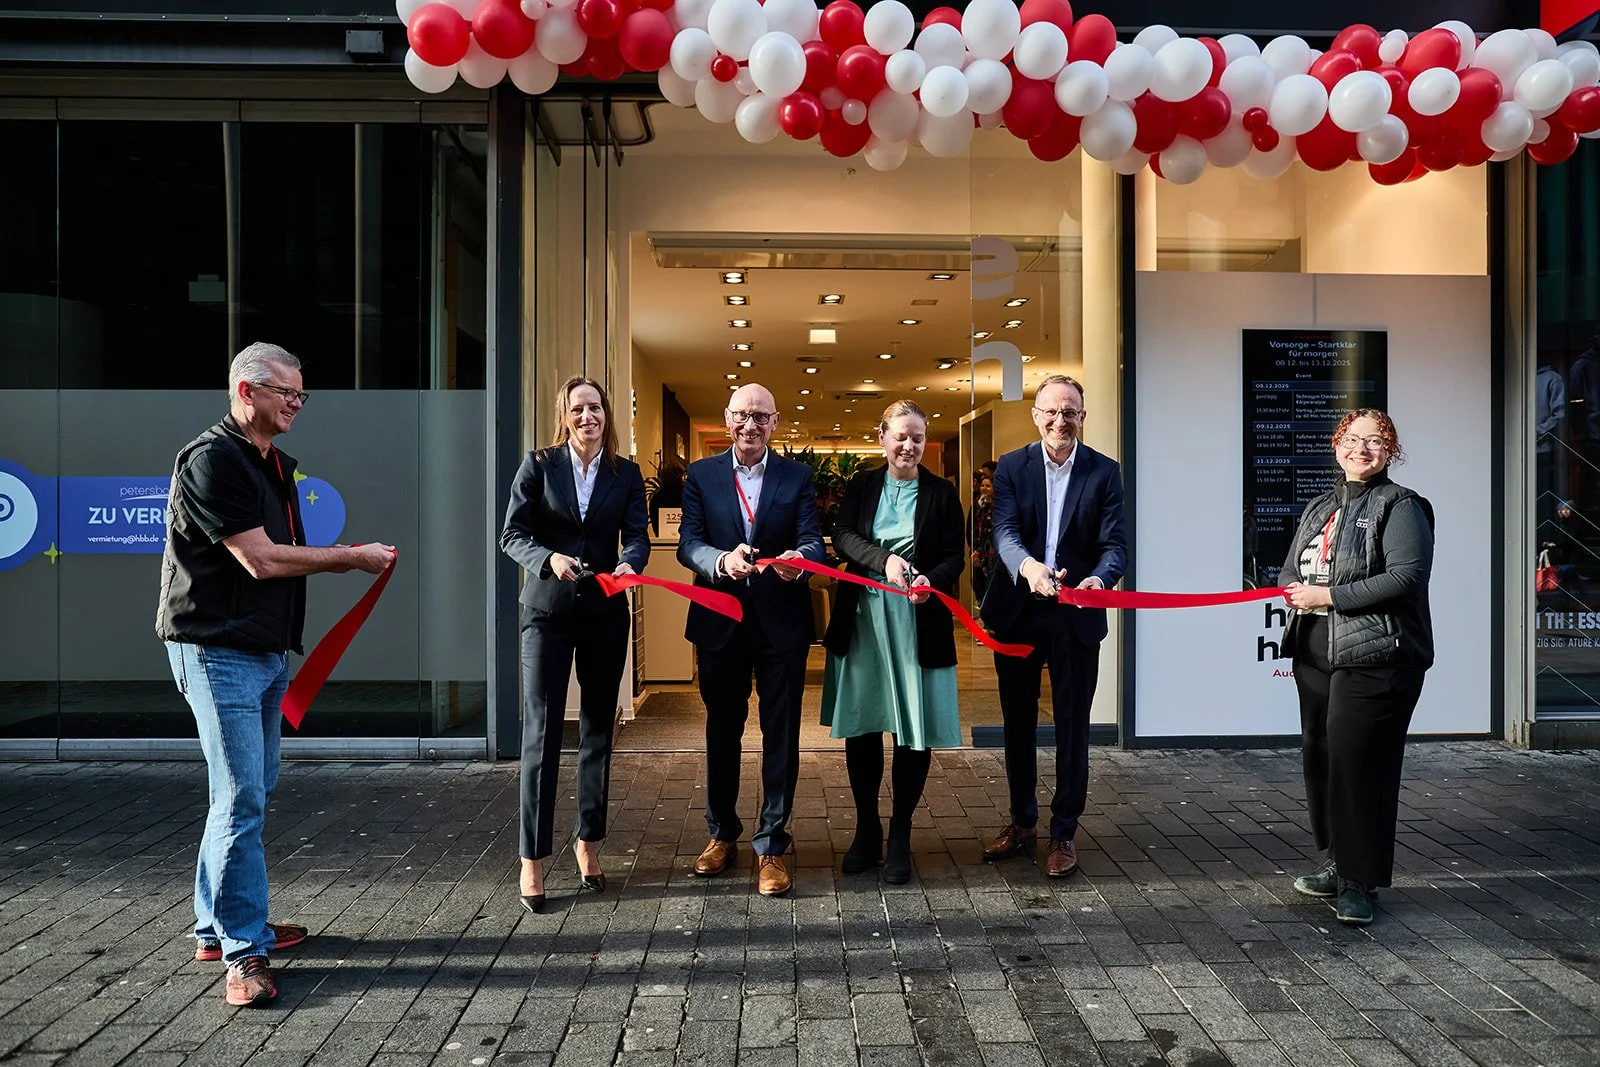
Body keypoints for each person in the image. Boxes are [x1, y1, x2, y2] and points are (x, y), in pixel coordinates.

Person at [156, 342, 396, 1007]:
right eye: (285, 392)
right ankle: (244, 953)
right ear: (246, 391)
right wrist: (349, 556)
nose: (296, 403)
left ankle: (216, 927)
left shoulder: (272, 464)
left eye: (300, 394)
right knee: (241, 797)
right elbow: (259, 560)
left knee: (247, 790)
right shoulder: (212, 460)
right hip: (216, 649)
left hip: (261, 649)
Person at [1280, 409, 1434, 926]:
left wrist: (1327, 595)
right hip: (1315, 650)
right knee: (1323, 757)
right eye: (1351, 438)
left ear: (1391, 451)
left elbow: (1406, 577)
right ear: (1336, 444)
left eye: (1375, 441)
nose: (1361, 449)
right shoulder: (1321, 505)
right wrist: (1292, 590)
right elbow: (1291, 566)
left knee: (1360, 763)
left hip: (1377, 655)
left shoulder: (1401, 505)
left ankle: (1359, 881)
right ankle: (1340, 861)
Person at [500, 376, 648, 913]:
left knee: (598, 732)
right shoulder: (538, 465)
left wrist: (630, 563)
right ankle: (533, 859)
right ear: (564, 415)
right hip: (547, 613)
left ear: (607, 415)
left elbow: (637, 535)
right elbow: (512, 535)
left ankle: (588, 842)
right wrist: (548, 559)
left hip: (605, 613)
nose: (589, 416)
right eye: (578, 408)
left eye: (596, 408)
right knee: (541, 733)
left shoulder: (625, 473)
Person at [678, 383, 824, 896]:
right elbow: (689, 543)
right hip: (720, 621)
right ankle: (722, 834)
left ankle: (772, 845)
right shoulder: (701, 475)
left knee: (780, 735)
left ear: (775, 422)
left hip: (781, 623)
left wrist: (800, 560)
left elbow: (812, 540)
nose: (750, 424)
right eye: (742, 415)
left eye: (761, 416)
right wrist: (720, 561)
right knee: (722, 731)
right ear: (727, 419)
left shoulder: (797, 476)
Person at [979, 374, 1126, 878]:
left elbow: (1115, 545)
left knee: (1073, 726)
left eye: (1070, 412)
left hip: (1076, 614)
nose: (1060, 420)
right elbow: (1003, 530)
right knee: (1017, 725)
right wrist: (1028, 567)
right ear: (1035, 415)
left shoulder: (1105, 471)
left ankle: (1063, 831)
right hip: (1019, 611)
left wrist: (1099, 580)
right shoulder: (1011, 467)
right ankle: (1022, 822)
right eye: (1051, 411)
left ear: (1082, 417)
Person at [820, 400, 966, 883]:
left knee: (913, 730)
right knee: (863, 727)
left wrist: (930, 581)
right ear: (882, 437)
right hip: (863, 619)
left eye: (917, 438)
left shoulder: (942, 493)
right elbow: (843, 536)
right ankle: (867, 828)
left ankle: (901, 831)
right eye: (900, 436)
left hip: (918, 621)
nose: (908, 446)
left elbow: (954, 556)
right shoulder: (862, 485)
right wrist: (883, 561)